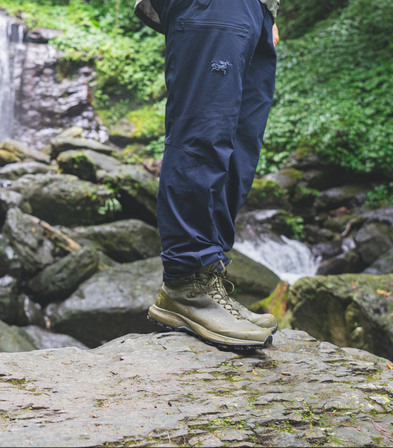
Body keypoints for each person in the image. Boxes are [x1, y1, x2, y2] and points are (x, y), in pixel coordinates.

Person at [134, 0, 281, 350]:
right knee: (204, 134)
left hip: (256, 10)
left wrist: (267, 11)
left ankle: (208, 275)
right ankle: (186, 283)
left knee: (240, 148)